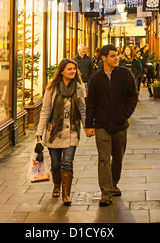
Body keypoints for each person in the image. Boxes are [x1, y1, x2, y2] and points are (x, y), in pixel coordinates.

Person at [85, 44, 138, 206]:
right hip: (101, 125)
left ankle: (114, 183)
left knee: (118, 157)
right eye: (113, 56)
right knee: (103, 158)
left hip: (120, 124)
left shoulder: (125, 74)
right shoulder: (95, 78)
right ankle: (106, 193)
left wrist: (124, 115)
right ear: (104, 58)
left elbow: (132, 97)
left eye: (117, 56)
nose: (116, 58)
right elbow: (91, 103)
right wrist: (89, 125)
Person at [35, 59, 86, 205]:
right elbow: (45, 110)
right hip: (53, 131)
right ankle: (57, 185)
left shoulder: (78, 87)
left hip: (72, 130)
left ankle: (66, 194)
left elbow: (82, 109)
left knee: (67, 162)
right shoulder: (52, 87)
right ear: (62, 71)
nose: (72, 72)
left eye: (74, 69)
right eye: (69, 69)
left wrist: (87, 126)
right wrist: (39, 130)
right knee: (56, 164)